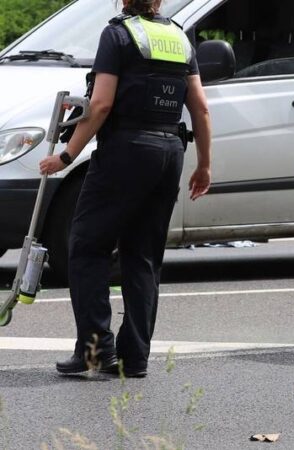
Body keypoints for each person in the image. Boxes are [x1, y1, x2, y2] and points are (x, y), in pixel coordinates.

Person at [39, 0, 212, 377]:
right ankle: (135, 358)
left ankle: (96, 351)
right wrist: (204, 164)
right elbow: (199, 106)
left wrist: (66, 157)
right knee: (144, 257)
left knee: (86, 247)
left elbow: (99, 105)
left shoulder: (117, 34)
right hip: (169, 153)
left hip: (126, 151)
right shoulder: (178, 38)